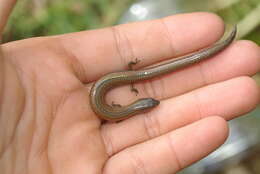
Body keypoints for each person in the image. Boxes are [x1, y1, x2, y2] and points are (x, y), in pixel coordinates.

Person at [0, 0, 259, 173]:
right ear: (141, 108)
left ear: (142, 108)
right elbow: (113, 110)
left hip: (110, 85)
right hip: (111, 86)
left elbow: (113, 110)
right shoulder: (119, 112)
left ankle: (218, 46)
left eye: (149, 105)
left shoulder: (120, 114)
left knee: (159, 69)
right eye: (149, 105)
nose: (151, 105)